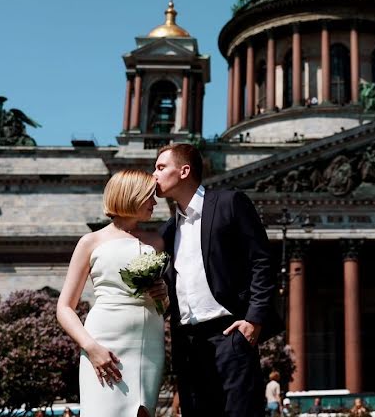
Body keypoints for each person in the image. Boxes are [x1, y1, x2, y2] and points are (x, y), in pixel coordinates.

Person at [155, 143, 281, 417]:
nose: (154, 174)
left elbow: (262, 260)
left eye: (161, 167)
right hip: (187, 343)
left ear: (185, 171)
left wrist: (254, 320)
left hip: (230, 335)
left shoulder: (229, 203)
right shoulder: (166, 229)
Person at [56, 170, 167, 417]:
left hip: (150, 343)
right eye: (150, 196)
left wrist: (163, 294)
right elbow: (64, 307)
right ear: (132, 196)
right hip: (105, 340)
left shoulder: (157, 242)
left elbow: (165, 306)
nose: (155, 202)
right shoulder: (90, 242)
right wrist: (90, 347)